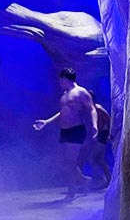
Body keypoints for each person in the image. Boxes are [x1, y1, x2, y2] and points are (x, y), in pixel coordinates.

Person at [33, 67, 98, 199]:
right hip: (65, 131)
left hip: (76, 130)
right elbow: (62, 112)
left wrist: (95, 125)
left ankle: (71, 191)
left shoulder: (81, 92)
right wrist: (46, 122)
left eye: (60, 80)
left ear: (64, 78)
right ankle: (83, 180)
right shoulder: (64, 95)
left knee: (70, 161)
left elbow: (91, 109)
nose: (59, 82)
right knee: (64, 161)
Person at [86, 93, 112, 189]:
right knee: (100, 159)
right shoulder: (90, 109)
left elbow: (108, 117)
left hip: (102, 133)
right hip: (99, 134)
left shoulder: (98, 107)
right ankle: (108, 179)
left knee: (92, 157)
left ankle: (100, 178)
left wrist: (110, 132)